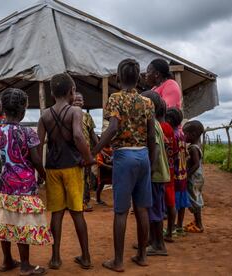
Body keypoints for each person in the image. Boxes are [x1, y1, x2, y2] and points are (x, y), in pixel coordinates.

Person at [92, 59, 156, 271]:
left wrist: (94, 151)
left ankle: (118, 261)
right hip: (144, 157)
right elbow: (150, 136)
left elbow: (112, 129)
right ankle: (142, 256)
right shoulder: (147, 102)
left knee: (121, 211)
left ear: (118, 78)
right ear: (138, 78)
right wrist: (151, 163)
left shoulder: (115, 99)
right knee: (142, 209)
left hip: (124, 157)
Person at [0, 88, 53, 275]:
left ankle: (7, 261)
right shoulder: (28, 133)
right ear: (23, 110)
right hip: (25, 186)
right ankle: (25, 265)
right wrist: (44, 176)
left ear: (3, 109)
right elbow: (36, 160)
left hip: (4, 184)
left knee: (5, 221)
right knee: (23, 225)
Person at [38, 73, 94, 270]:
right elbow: (79, 136)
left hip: (53, 168)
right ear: (72, 92)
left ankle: (55, 258)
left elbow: (38, 145)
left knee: (57, 213)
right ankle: (86, 257)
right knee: (77, 212)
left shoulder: (44, 115)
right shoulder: (75, 111)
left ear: (52, 94)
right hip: (72, 167)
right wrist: (88, 159)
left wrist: (40, 171)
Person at [141, 91, 170, 256]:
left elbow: (157, 148)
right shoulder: (155, 123)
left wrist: (150, 169)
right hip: (158, 174)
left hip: (156, 174)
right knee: (153, 209)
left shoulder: (152, 124)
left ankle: (159, 245)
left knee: (155, 211)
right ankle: (152, 241)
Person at [166, 107, 190, 237]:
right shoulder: (182, 135)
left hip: (174, 174)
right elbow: (185, 153)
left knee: (172, 203)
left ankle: (171, 230)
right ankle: (179, 226)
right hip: (183, 174)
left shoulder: (172, 135)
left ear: (169, 120)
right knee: (182, 202)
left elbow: (172, 155)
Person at [73, 92, 99, 212]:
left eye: (80, 100)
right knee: (73, 177)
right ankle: (74, 202)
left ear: (83, 102)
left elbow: (92, 134)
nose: (78, 102)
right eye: (76, 100)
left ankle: (85, 201)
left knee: (86, 177)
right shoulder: (69, 115)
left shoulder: (87, 117)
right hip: (72, 152)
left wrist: (99, 147)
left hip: (86, 152)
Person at [156, 102, 178, 243]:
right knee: (170, 203)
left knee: (156, 204)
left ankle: (155, 237)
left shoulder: (158, 127)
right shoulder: (170, 128)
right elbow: (175, 152)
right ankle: (170, 231)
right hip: (170, 170)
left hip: (159, 171)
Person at [183, 120, 205, 233]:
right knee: (196, 197)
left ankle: (199, 224)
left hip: (194, 177)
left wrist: (187, 175)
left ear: (193, 135)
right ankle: (196, 222)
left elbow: (196, 164)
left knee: (194, 199)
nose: (183, 135)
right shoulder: (197, 145)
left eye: (185, 133)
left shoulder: (192, 148)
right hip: (198, 177)